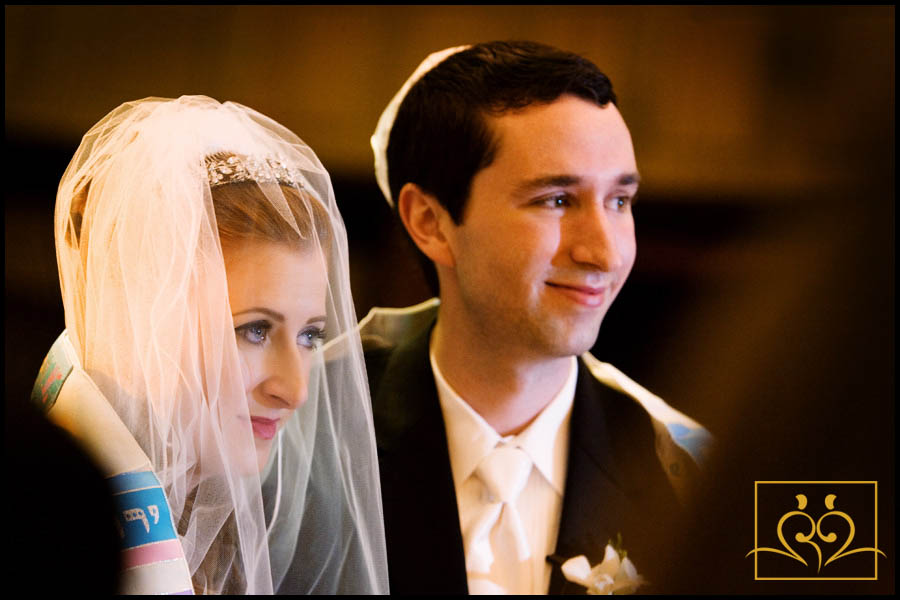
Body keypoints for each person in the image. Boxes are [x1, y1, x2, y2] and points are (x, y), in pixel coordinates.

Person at [363, 41, 713, 594]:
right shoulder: (305, 447)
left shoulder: (691, 474)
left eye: (619, 201)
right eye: (557, 200)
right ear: (430, 221)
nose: (605, 253)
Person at [31, 96, 388, 594]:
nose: (295, 391)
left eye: (310, 335)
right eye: (254, 330)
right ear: (148, 314)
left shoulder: (234, 530)